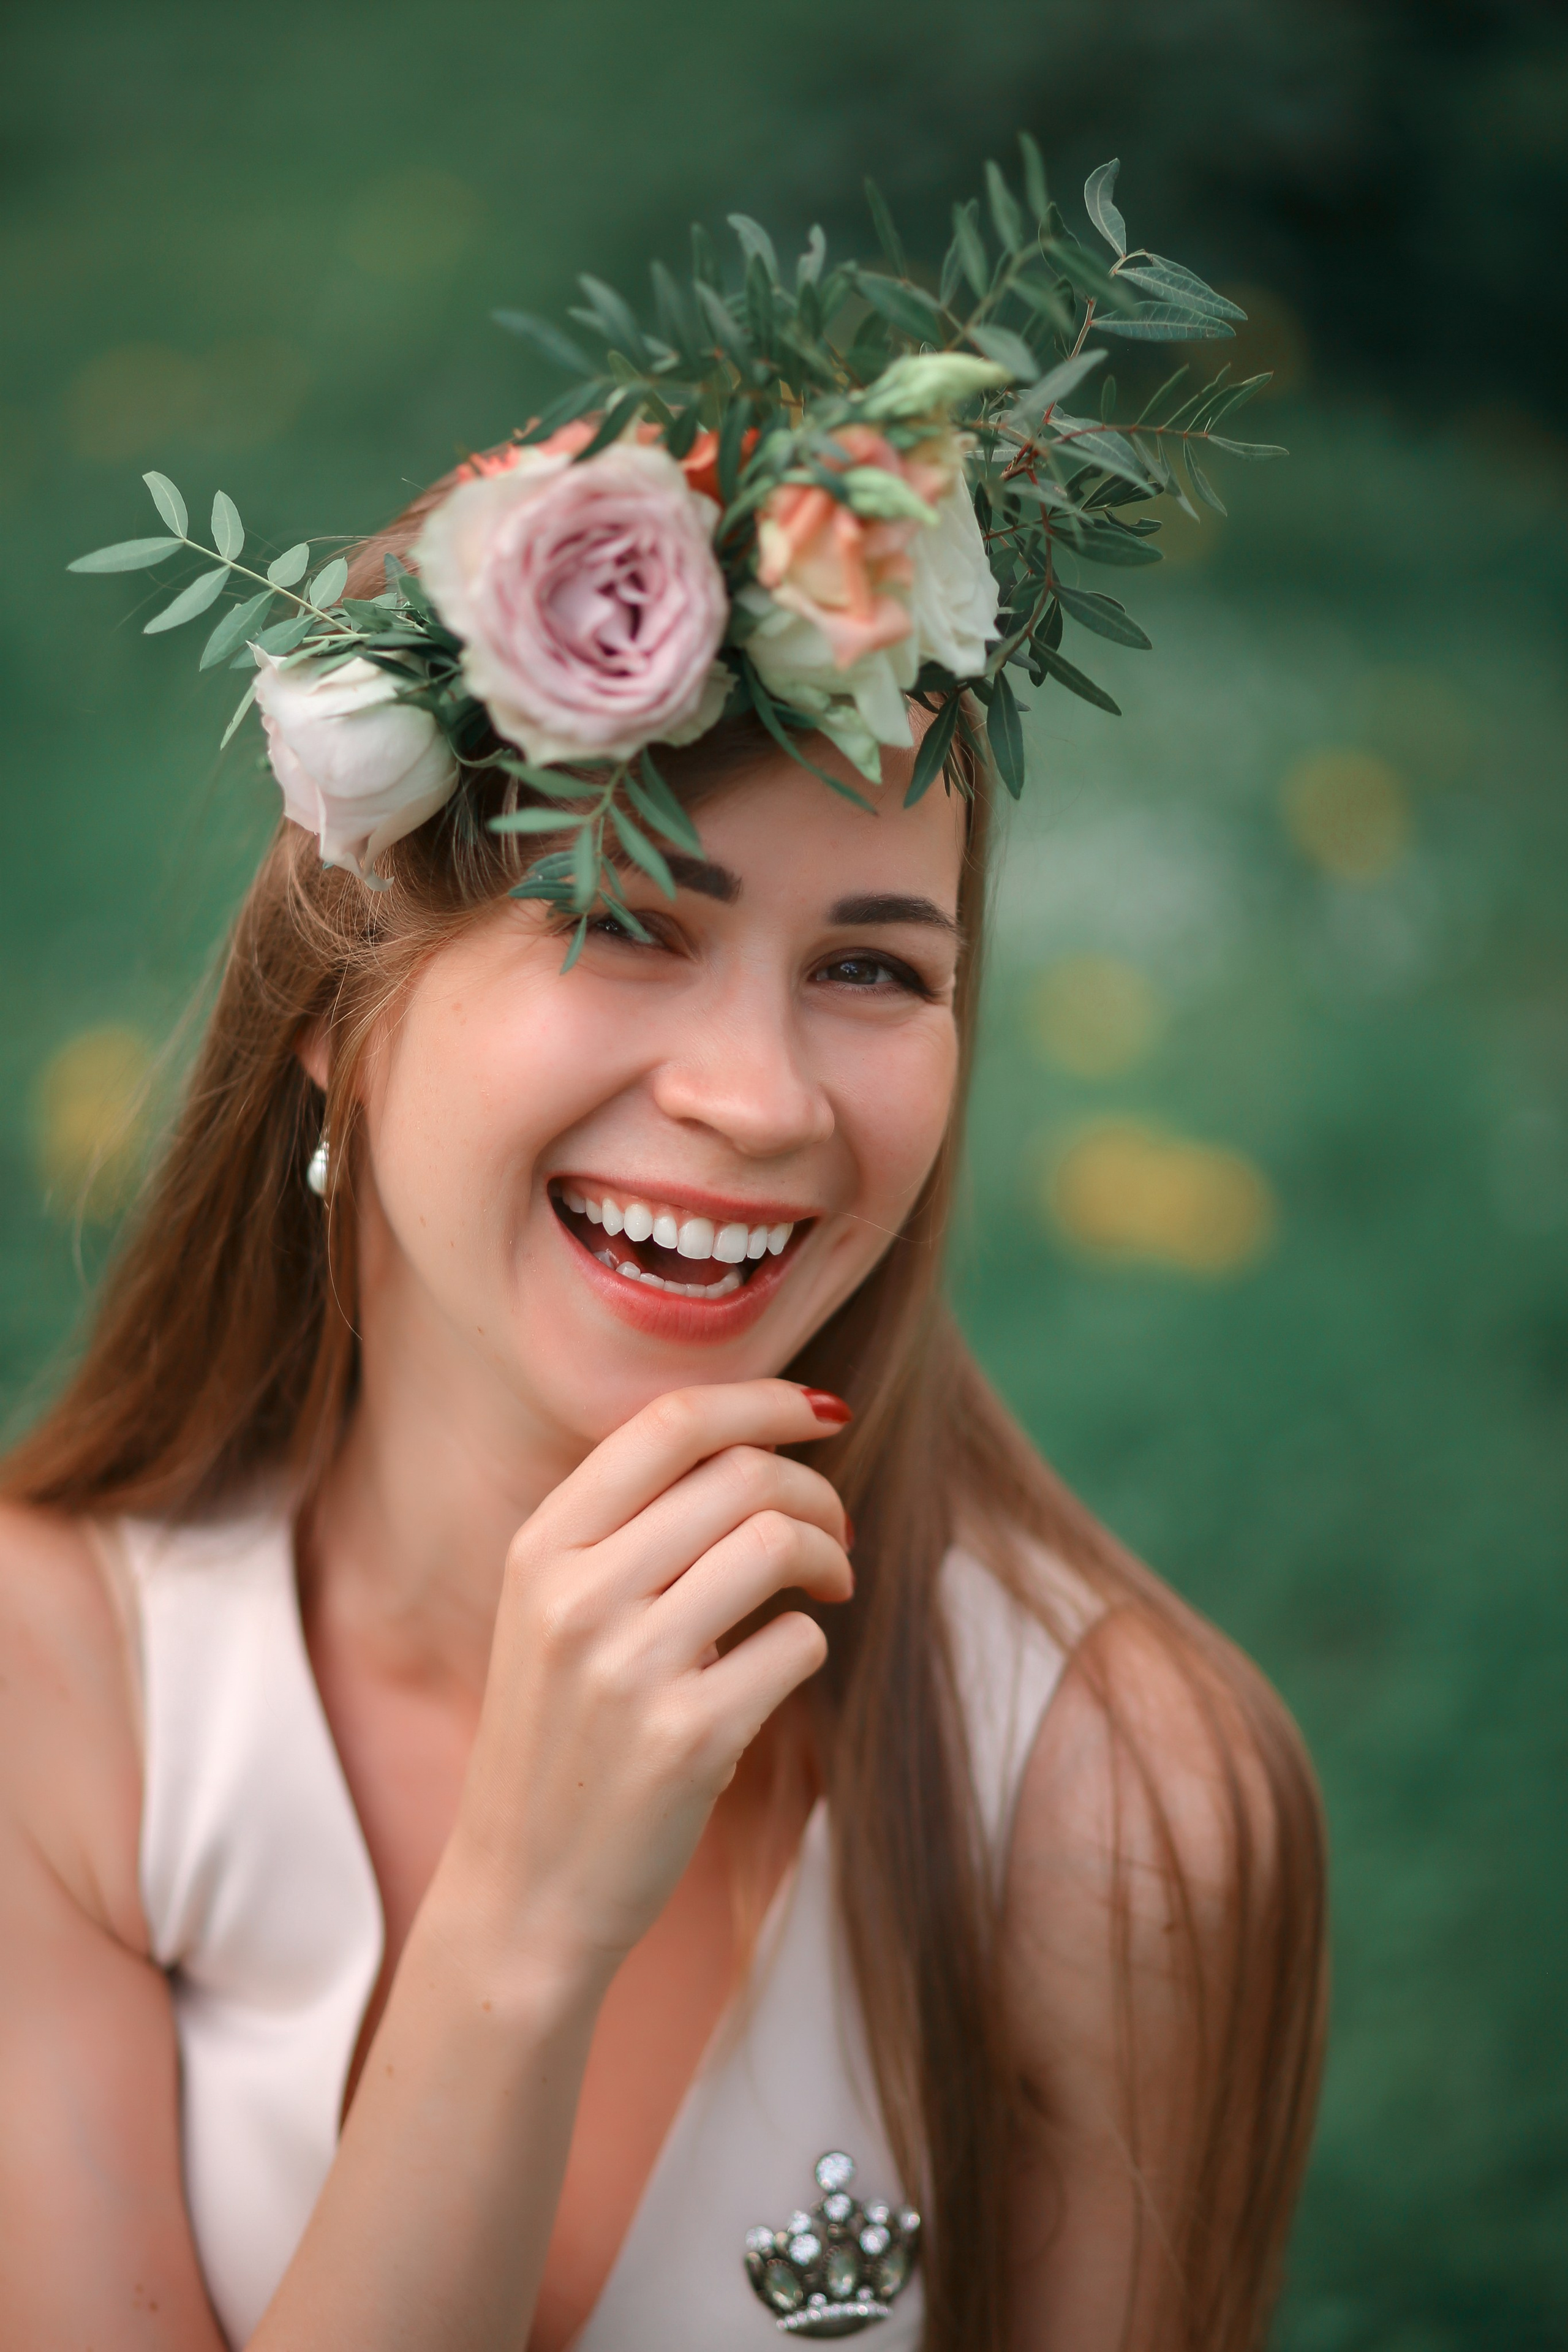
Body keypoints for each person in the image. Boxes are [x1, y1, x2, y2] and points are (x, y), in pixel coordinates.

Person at [3, 170, 1325, 2351]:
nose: (760, 1099)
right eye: (625, 921)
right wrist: (521, 1930)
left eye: (873, 968)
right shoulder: (56, 1693)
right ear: (337, 1002)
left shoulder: (1113, 1798)